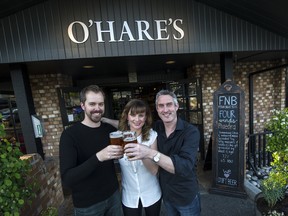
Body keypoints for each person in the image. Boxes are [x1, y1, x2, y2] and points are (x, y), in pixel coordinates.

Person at [124, 90, 201, 216]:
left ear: (176, 106)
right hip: (166, 195)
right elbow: (135, 124)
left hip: (185, 196)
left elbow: (184, 166)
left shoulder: (190, 132)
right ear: (157, 109)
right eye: (161, 106)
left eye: (169, 104)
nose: (165, 110)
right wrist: (105, 120)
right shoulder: (157, 127)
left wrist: (149, 153)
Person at [59, 85, 123, 216]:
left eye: (101, 104)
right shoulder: (70, 135)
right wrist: (98, 157)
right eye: (92, 104)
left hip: (114, 196)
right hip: (88, 205)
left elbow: (129, 127)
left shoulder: (109, 130)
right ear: (83, 106)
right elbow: (67, 179)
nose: (97, 108)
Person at [103, 99, 162, 216]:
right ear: (127, 117)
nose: (137, 119)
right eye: (133, 115)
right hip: (129, 196)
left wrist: (142, 153)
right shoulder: (119, 136)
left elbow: (154, 170)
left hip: (152, 193)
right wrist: (104, 119)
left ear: (145, 118)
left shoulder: (152, 136)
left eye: (141, 115)